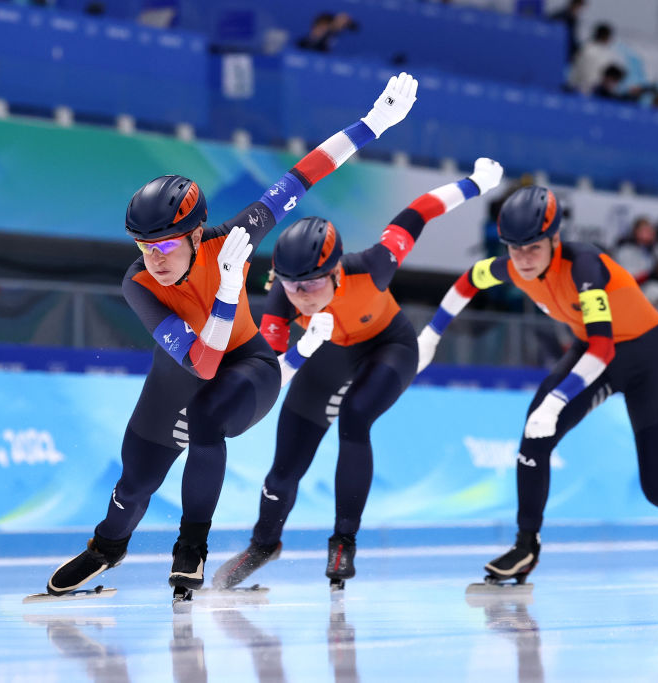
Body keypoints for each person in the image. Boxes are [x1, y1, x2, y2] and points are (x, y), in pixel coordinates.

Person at [45, 72, 420, 597]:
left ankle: (191, 546)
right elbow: (198, 363)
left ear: (196, 233)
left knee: (205, 420)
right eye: (143, 246)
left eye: (166, 244)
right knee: (133, 485)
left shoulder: (237, 236)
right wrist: (224, 294)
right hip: (182, 370)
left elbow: (302, 176)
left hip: (247, 366)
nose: (154, 258)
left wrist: (373, 122)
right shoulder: (137, 284)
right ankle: (107, 549)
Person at [212, 158, 505, 590]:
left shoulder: (374, 265)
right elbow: (271, 375)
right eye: (291, 286)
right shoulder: (281, 300)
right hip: (325, 355)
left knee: (355, 417)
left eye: (310, 285)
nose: (301, 298)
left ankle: (343, 540)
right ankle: (263, 544)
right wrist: (295, 354)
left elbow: (419, 210)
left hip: (388, 347)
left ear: (335, 272)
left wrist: (475, 183)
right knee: (283, 468)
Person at [416, 186, 658, 585]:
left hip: (645, 357)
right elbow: (469, 281)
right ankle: (525, 546)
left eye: (533, 248)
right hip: (591, 349)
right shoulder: (511, 266)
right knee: (534, 437)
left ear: (554, 240)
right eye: (514, 248)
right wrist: (432, 335)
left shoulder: (584, 267)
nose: (523, 259)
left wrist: (556, 400)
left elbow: (603, 347)